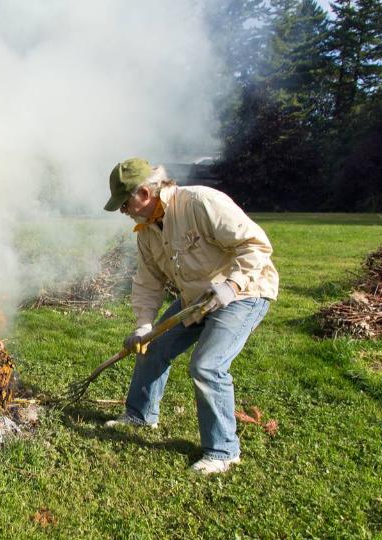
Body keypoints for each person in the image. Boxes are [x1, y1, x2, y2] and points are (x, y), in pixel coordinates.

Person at [102, 157, 279, 475]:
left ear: (144, 193)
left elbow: (255, 245)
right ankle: (141, 416)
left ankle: (223, 451)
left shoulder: (200, 202)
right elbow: (148, 281)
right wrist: (144, 325)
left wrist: (232, 284)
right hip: (196, 299)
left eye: (124, 203)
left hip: (245, 292)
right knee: (153, 345)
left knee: (207, 366)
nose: (122, 211)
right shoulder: (147, 232)